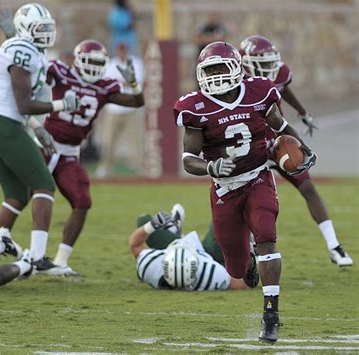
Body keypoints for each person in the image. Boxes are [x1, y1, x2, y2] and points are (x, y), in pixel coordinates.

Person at [173, 42, 317, 342]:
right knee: (236, 269)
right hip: (224, 189)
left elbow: (280, 125)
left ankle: (271, 314)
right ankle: (249, 260)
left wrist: (302, 148)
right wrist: (210, 169)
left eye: (219, 69)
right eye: (208, 71)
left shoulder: (258, 91)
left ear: (236, 68)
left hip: (258, 177)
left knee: (267, 234)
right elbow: (188, 159)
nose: (213, 77)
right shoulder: (195, 106)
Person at [0, 3, 80, 274]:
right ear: (27, 30)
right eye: (40, 29)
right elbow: (23, 103)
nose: (46, 34)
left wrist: (37, 127)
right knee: (44, 185)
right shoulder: (23, 50)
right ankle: (37, 258)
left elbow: (19, 105)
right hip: (5, 126)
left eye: (48, 28)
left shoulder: (25, 47)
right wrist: (62, 106)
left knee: (16, 196)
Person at [239, 35, 353, 267]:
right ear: (245, 62)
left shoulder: (278, 73)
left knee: (308, 186)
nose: (270, 67)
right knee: (247, 199)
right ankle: (248, 248)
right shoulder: (237, 81)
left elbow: (284, 88)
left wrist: (302, 112)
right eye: (262, 61)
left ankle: (334, 246)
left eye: (271, 61)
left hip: (279, 142)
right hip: (251, 145)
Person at [38, 39, 144, 275]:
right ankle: (14, 245)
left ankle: (60, 261)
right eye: (90, 61)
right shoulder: (61, 73)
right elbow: (32, 78)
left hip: (70, 153)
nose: (94, 67)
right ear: (78, 61)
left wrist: (134, 83)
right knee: (26, 195)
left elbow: (137, 101)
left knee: (82, 200)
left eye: (98, 62)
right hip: (45, 144)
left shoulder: (106, 86)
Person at [129, 206, 259, 291]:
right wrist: (254, 258)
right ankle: (247, 237)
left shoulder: (150, 267)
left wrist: (152, 225)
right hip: (209, 255)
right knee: (224, 218)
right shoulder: (209, 274)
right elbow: (246, 284)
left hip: (172, 246)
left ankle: (174, 230)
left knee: (143, 220)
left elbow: (135, 244)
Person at [95, 42, 145, 177]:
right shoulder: (111, 64)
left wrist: (122, 82)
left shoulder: (136, 62)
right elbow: (108, 84)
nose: (122, 52)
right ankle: (105, 166)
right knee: (109, 140)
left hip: (131, 109)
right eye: (120, 50)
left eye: (124, 50)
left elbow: (138, 82)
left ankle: (139, 167)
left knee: (136, 140)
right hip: (114, 109)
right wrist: (125, 82)